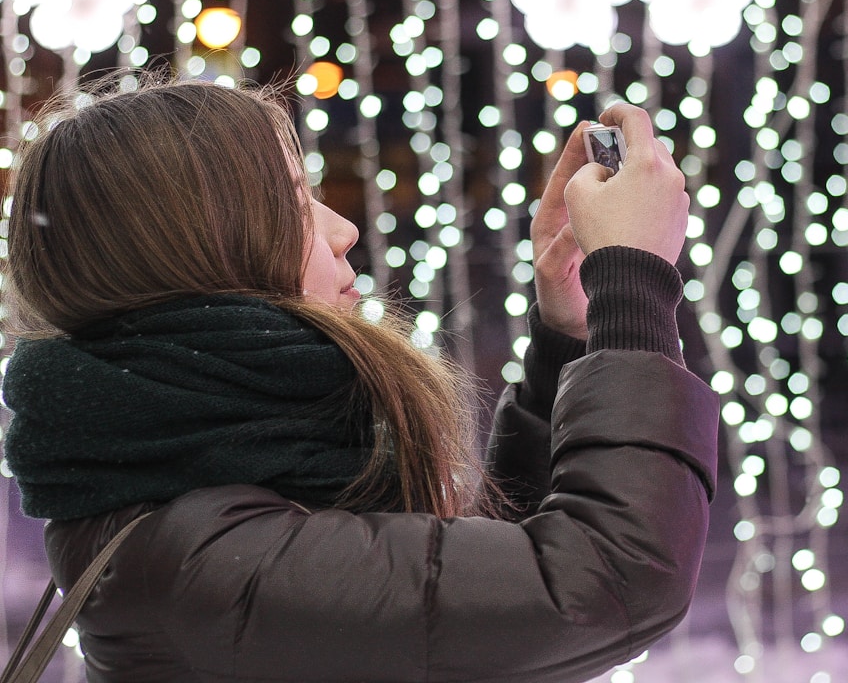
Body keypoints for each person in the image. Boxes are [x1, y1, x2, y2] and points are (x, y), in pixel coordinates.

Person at [1, 79, 719, 682]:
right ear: (206, 251)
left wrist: (573, 331)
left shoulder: (205, 477)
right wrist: (632, 277)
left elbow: (454, 604)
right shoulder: (201, 560)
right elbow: (603, 582)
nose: (341, 228)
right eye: (291, 201)